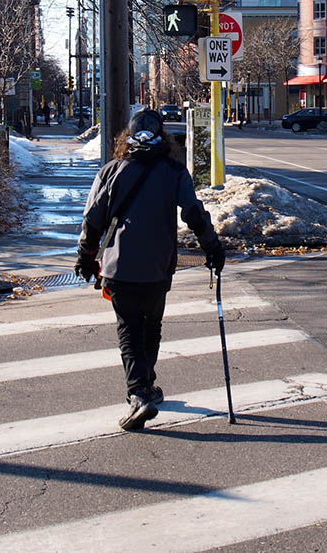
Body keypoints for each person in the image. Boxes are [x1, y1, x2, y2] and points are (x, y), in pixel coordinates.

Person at [75, 109, 225, 431]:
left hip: (119, 266)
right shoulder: (173, 171)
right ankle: (147, 386)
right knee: (151, 325)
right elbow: (194, 213)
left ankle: (139, 394)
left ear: (125, 139)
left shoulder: (111, 171)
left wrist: (86, 258)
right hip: (158, 267)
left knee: (129, 328)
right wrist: (213, 247)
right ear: (164, 139)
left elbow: (92, 221)